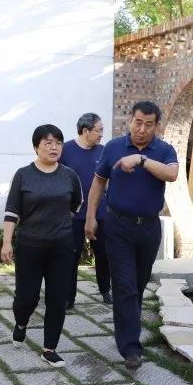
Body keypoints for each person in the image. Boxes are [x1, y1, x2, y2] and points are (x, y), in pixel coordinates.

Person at [85, 101, 178, 371]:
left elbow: (172, 174)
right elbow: (98, 182)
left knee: (137, 285)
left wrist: (141, 160)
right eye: (138, 122)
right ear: (130, 121)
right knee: (124, 285)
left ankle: (128, 328)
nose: (142, 129)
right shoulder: (113, 147)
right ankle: (131, 348)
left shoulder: (164, 150)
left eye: (148, 124)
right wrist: (90, 216)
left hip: (148, 228)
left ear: (156, 126)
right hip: (118, 226)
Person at [1, 124, 83, 368]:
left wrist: (57, 223)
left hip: (62, 247)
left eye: (58, 142)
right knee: (26, 298)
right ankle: (21, 323)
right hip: (30, 246)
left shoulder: (69, 176)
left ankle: (50, 349)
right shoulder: (23, 175)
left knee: (57, 298)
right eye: (48, 143)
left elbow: (76, 204)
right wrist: (7, 242)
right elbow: (12, 211)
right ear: (36, 147)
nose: (54, 147)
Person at [60, 113, 111, 309]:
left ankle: (105, 290)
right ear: (85, 131)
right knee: (71, 256)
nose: (101, 134)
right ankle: (68, 297)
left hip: (101, 212)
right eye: (99, 130)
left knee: (103, 254)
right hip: (74, 214)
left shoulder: (104, 151)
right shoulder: (66, 151)